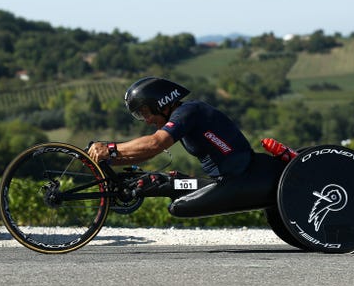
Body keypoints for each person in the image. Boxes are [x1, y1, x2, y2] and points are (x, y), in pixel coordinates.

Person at [87, 76, 286, 217]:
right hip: (225, 178)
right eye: (141, 115)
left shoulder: (188, 111)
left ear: (162, 103)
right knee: (163, 182)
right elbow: (146, 153)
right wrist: (112, 160)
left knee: (178, 207)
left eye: (146, 112)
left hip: (239, 178)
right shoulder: (180, 115)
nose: (146, 120)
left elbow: (155, 143)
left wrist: (110, 148)